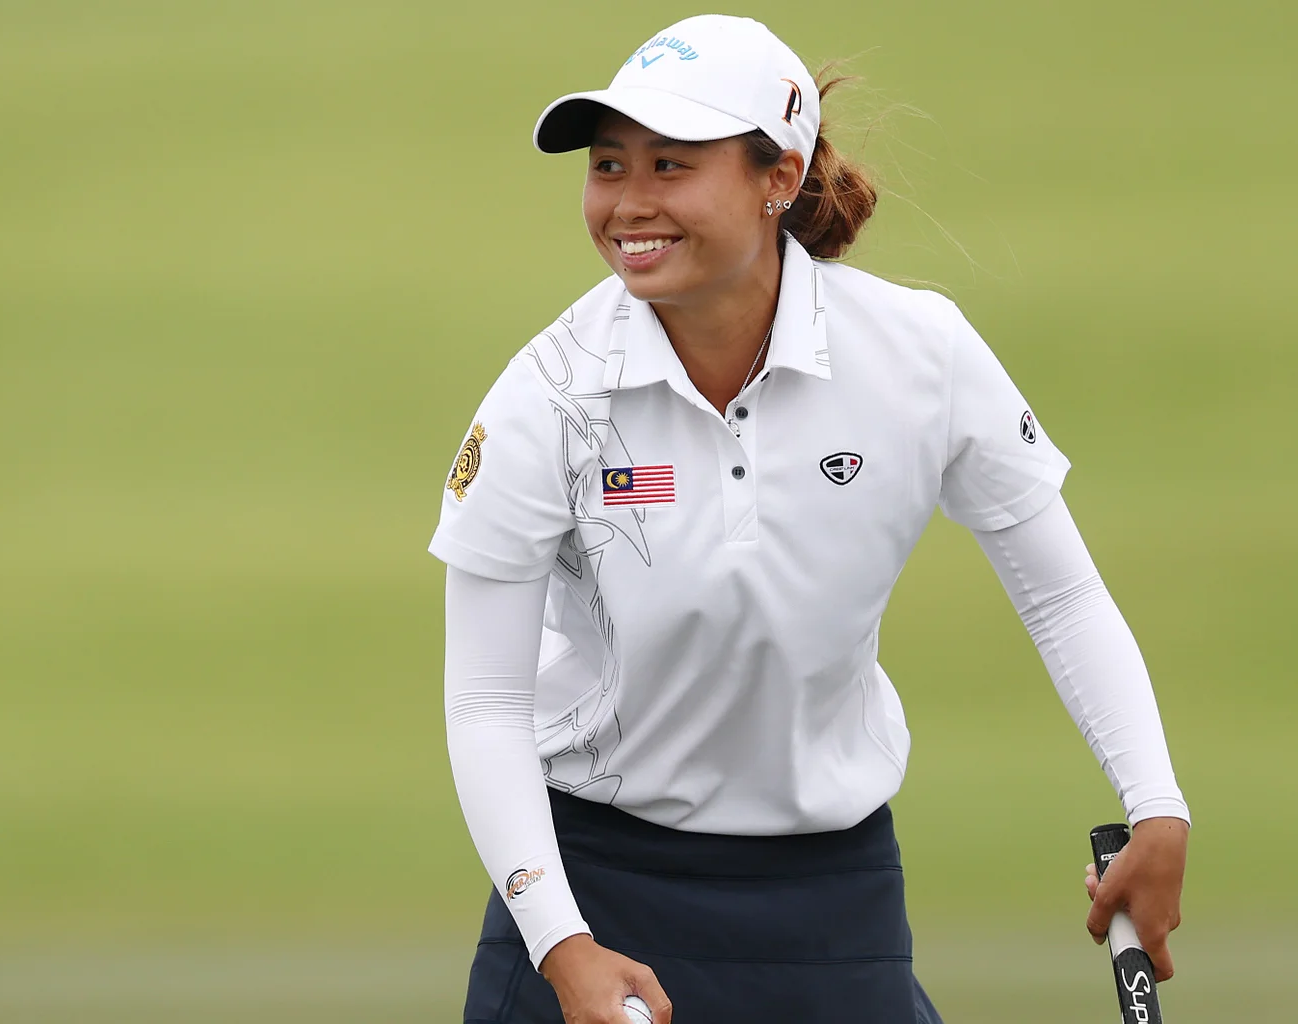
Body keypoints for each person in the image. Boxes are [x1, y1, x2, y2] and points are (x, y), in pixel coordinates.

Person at [431, 15, 1190, 1024]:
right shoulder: (550, 394)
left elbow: (1060, 593)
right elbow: (485, 702)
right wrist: (561, 943)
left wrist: (1157, 805)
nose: (629, 202)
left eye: (670, 164)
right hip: (594, 883)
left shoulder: (919, 355)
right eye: (609, 165)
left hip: (833, 902)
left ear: (778, 177)